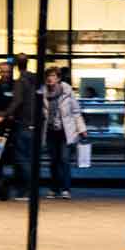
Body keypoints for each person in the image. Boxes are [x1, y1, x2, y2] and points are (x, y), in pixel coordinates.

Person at [0, 57, 36, 196]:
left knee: (17, 159)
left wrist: (9, 115)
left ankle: (19, 187)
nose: (5, 74)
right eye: (3, 71)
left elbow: (20, 104)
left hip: (13, 127)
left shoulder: (17, 85)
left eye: (8, 72)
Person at [40, 66, 88, 199]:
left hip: (65, 131)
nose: (50, 79)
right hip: (50, 131)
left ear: (59, 79)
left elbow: (76, 111)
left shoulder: (67, 91)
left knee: (64, 159)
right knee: (53, 161)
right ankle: (54, 188)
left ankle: (66, 188)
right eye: (48, 76)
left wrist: (82, 129)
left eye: (53, 76)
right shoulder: (42, 92)